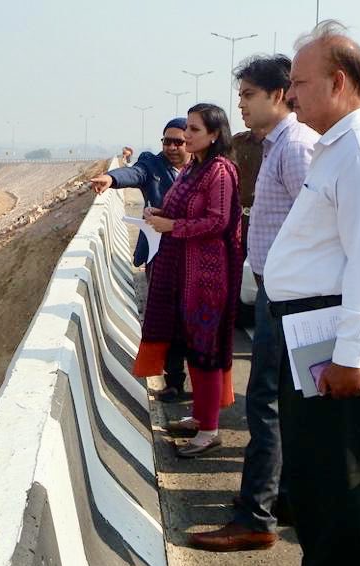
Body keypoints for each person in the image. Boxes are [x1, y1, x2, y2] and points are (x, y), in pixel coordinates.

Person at [263, 21, 360, 566]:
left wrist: (348, 356)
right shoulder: (335, 148)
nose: (290, 94)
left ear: (338, 81)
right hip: (311, 334)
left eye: (298, 82)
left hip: (333, 342)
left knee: (336, 488)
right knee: (312, 483)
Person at [188, 55, 318, 552]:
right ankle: (277, 498)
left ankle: (255, 517)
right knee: (276, 402)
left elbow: (318, 226)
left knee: (267, 403)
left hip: (288, 295)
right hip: (273, 289)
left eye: (247, 95)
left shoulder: (297, 147)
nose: (239, 105)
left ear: (279, 94)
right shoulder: (276, 146)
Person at [130, 103, 242, 458]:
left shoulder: (220, 172)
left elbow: (218, 221)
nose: (186, 136)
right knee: (193, 346)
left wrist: (172, 227)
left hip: (208, 277)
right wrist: (160, 214)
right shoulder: (195, 168)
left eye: (194, 130)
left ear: (213, 134)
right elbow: (182, 210)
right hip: (184, 273)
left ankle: (209, 431)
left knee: (206, 350)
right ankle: (201, 418)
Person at [90, 118, 192, 403]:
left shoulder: (204, 171)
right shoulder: (154, 165)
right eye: (167, 141)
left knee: (193, 324)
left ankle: (205, 393)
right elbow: (134, 173)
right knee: (166, 322)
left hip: (194, 257)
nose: (171, 147)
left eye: (178, 142)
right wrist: (111, 180)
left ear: (192, 143)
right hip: (160, 258)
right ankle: (174, 381)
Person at [230, 129, 263, 258]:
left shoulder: (287, 143)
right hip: (236, 221)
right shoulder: (237, 142)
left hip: (267, 225)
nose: (242, 107)